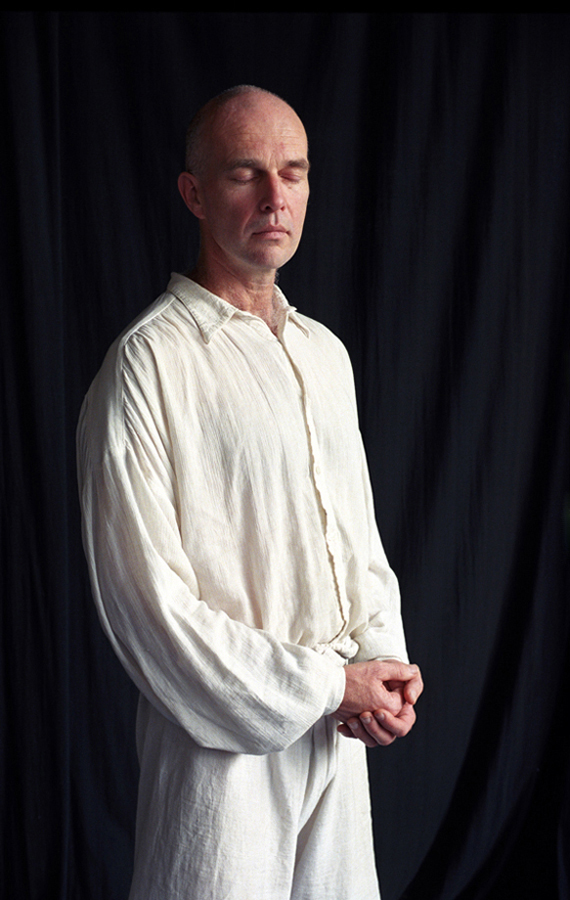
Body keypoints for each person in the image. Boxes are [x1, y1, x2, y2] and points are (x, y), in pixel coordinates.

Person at [77, 85, 423, 900]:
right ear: (195, 193)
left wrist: (380, 666)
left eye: (292, 172)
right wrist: (328, 686)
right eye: (245, 173)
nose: (275, 196)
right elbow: (150, 609)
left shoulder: (325, 355)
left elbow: (359, 544)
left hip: (336, 743)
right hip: (218, 758)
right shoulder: (148, 365)